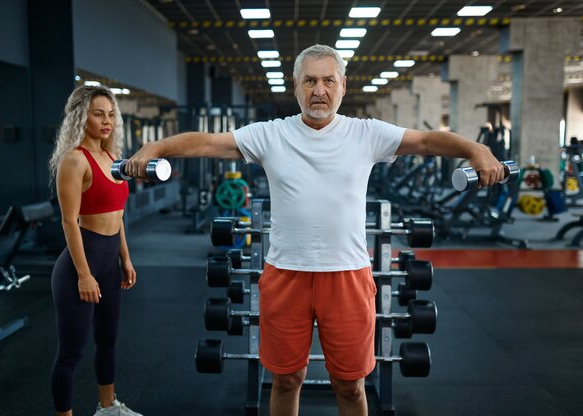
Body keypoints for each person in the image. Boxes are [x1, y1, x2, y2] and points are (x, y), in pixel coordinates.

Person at [126, 44, 505, 416]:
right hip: (285, 275)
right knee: (286, 380)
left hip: (347, 276)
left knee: (351, 384)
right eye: (309, 81)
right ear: (295, 86)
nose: (318, 91)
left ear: (343, 85)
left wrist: (477, 150)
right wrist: (157, 147)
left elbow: (425, 141)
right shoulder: (270, 135)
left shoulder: (366, 133)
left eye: (328, 81)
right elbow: (207, 142)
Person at [48, 85, 142, 416]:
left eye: (111, 115)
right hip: (80, 265)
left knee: (108, 341)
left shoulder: (113, 158)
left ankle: (107, 407)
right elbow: (69, 223)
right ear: (80, 116)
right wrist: (85, 274)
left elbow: (118, 217)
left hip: (109, 262)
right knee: (71, 352)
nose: (107, 121)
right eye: (98, 114)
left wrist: (125, 258)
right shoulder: (75, 161)